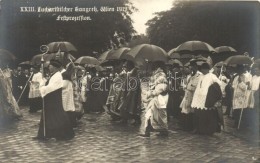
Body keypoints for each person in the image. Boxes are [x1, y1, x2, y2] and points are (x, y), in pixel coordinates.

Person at [34, 59, 75, 140]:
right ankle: (45, 134)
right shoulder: (54, 74)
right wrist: (43, 81)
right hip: (50, 98)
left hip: (54, 99)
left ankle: (64, 133)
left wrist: (42, 86)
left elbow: (51, 87)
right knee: (49, 116)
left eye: (50, 66)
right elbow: (50, 84)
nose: (49, 67)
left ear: (55, 67)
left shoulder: (58, 76)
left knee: (57, 116)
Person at [139, 61, 169, 137]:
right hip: (155, 98)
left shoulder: (161, 76)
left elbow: (161, 88)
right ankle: (147, 131)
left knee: (159, 115)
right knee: (150, 113)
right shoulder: (155, 75)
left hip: (160, 98)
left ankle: (163, 130)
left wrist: (151, 93)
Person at [191, 62, 222, 135]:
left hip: (207, 99)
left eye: (202, 69)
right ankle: (199, 129)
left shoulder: (212, 76)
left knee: (207, 115)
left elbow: (219, 84)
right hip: (198, 98)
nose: (202, 71)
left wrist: (213, 92)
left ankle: (208, 130)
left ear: (206, 69)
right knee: (198, 114)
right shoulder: (201, 76)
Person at [180, 61, 202, 131]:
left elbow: (197, 86)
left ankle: (192, 127)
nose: (191, 70)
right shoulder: (190, 76)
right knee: (186, 110)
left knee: (192, 111)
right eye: (190, 68)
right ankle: (186, 126)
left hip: (194, 95)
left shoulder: (199, 75)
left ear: (195, 67)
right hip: (187, 94)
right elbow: (186, 85)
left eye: (192, 68)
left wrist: (189, 87)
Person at [62, 62, 77, 128]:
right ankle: (72, 123)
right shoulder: (71, 74)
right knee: (70, 105)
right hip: (69, 89)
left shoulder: (65, 74)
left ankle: (67, 123)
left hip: (66, 90)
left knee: (66, 106)